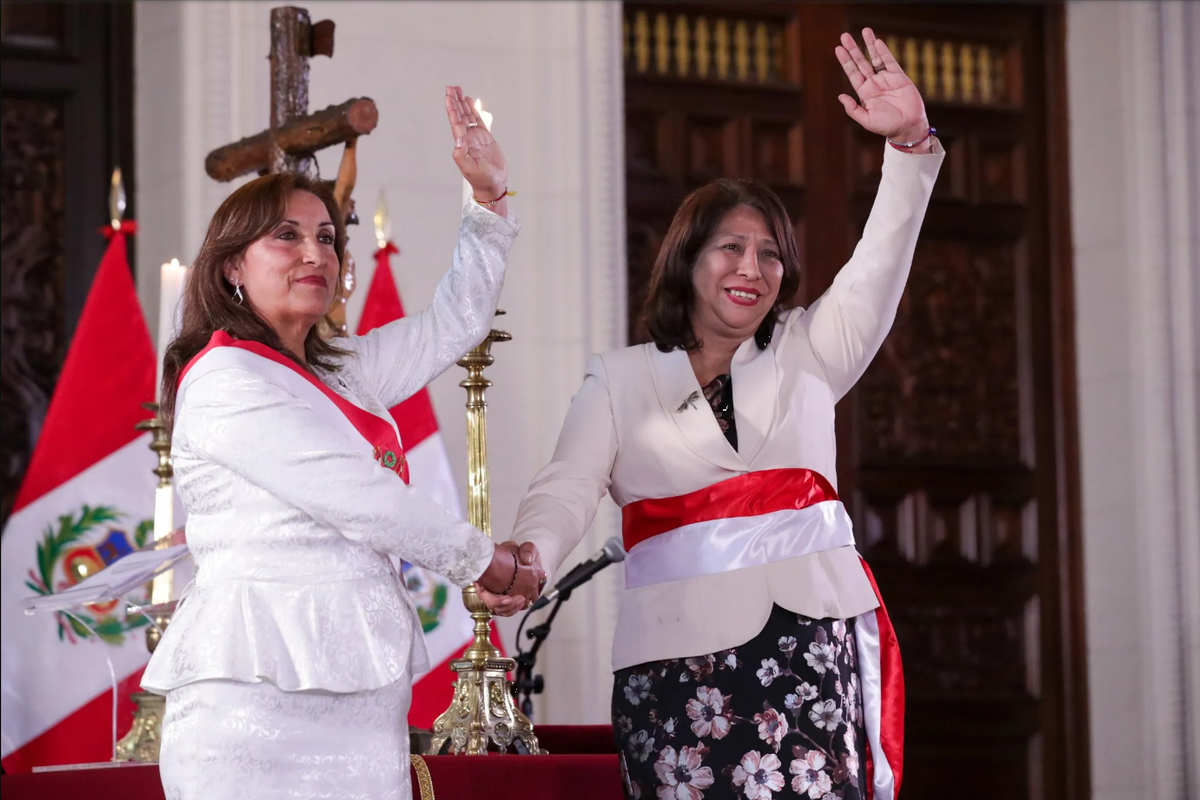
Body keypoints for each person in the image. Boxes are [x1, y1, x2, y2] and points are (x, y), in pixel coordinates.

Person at [506, 30, 942, 800]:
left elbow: (880, 259)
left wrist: (909, 144)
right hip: (676, 666)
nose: (752, 268)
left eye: (770, 253)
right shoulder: (620, 378)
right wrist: (532, 554)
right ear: (687, 258)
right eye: (730, 248)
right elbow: (567, 486)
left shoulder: (808, 349)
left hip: (810, 647)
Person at [140, 86, 546, 800]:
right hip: (250, 698)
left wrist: (489, 198)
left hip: (361, 694)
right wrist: (484, 561)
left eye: (326, 237)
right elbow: (356, 496)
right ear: (233, 265)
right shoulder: (224, 376)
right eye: (287, 236)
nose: (314, 252)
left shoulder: (343, 370)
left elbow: (455, 322)